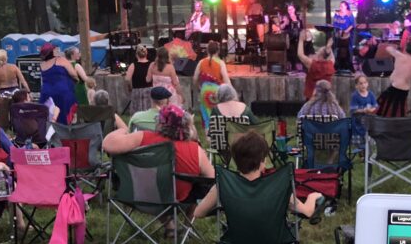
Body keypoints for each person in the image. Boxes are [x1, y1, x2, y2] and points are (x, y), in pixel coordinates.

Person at [192, 130, 323, 222]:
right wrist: (312, 197)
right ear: (262, 161)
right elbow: (307, 212)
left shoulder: (223, 186)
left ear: (235, 160)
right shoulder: (277, 186)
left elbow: (198, 213)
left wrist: (222, 208)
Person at [103, 104, 214, 207]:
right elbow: (212, 178)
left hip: (142, 195)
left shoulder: (142, 137)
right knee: (200, 185)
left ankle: (168, 224)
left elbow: (107, 144)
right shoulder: (195, 150)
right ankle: (186, 225)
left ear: (159, 122)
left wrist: (123, 129)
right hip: (178, 201)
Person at [37, 42, 80, 124]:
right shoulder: (60, 60)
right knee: (64, 115)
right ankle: (64, 133)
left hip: (46, 93)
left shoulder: (42, 64)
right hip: (62, 91)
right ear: (52, 51)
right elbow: (73, 74)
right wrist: (76, 80)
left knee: (48, 116)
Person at [376, 43, 411, 117]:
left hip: (395, 87)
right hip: (405, 90)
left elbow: (388, 48)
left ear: (405, 49)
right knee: (399, 109)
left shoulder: (399, 55)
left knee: (384, 106)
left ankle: (382, 120)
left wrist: (396, 47)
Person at [297, 30, 335, 101]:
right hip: (325, 98)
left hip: (312, 98)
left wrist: (301, 40)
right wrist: (329, 47)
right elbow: (331, 56)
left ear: (319, 55)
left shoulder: (313, 65)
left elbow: (300, 54)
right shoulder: (331, 64)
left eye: (318, 52)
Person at [125, 44, 153, 114]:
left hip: (137, 90)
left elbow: (127, 79)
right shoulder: (151, 64)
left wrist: (130, 87)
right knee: (149, 110)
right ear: (146, 54)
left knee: (137, 111)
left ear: (136, 54)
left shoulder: (133, 65)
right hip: (149, 90)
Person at [350, 74, 378, 144]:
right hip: (358, 119)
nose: (363, 85)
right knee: (363, 122)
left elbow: (375, 106)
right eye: (361, 83)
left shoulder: (370, 94)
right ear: (357, 86)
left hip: (369, 117)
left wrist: (372, 110)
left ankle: (371, 142)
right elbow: (354, 110)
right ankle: (362, 145)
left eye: (365, 83)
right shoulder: (355, 96)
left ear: (367, 84)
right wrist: (364, 110)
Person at [331, 1, 356, 73]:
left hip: (347, 34)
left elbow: (352, 24)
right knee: (337, 48)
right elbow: (335, 23)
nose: (340, 7)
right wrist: (337, 30)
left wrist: (346, 30)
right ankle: (337, 64)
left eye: (342, 6)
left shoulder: (349, 13)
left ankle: (348, 64)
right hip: (338, 33)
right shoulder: (337, 13)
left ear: (346, 6)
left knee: (347, 49)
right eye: (340, 6)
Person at [285, 3, 304, 69]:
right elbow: (284, 28)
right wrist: (285, 23)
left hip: (298, 36)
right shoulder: (287, 18)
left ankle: (303, 64)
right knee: (292, 46)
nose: (290, 11)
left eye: (291, 9)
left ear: (294, 9)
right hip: (290, 37)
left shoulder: (298, 17)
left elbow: (302, 27)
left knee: (303, 43)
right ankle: (293, 65)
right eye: (288, 10)